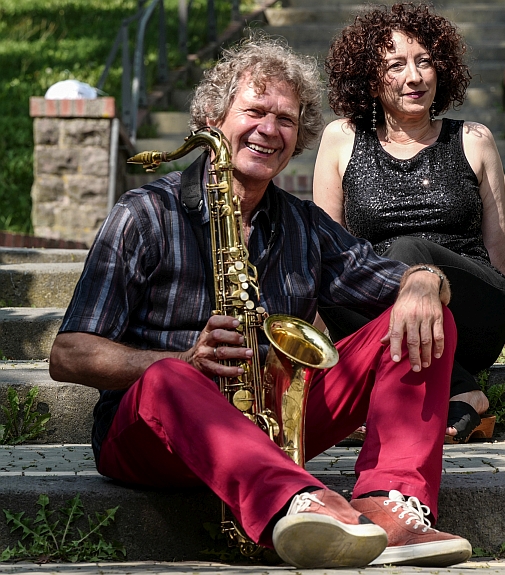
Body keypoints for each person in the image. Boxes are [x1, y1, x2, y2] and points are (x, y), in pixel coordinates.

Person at [48, 32, 473, 569]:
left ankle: (390, 506)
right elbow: (67, 355)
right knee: (170, 378)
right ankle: (298, 502)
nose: (269, 130)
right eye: (254, 111)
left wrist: (424, 282)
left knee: (427, 318)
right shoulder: (144, 213)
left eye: (286, 119)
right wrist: (183, 361)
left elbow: (401, 282)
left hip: (270, 419)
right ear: (213, 120)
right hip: (151, 433)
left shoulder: (303, 223)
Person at [313, 3, 505, 442]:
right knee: (329, 273)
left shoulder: (473, 140)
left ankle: (417, 389)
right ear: (370, 78)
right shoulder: (341, 139)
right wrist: (313, 351)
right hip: (384, 313)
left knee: (407, 251)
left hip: (472, 309)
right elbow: (329, 252)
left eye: (424, 61)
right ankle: (461, 392)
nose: (414, 77)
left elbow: (502, 254)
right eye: (396, 65)